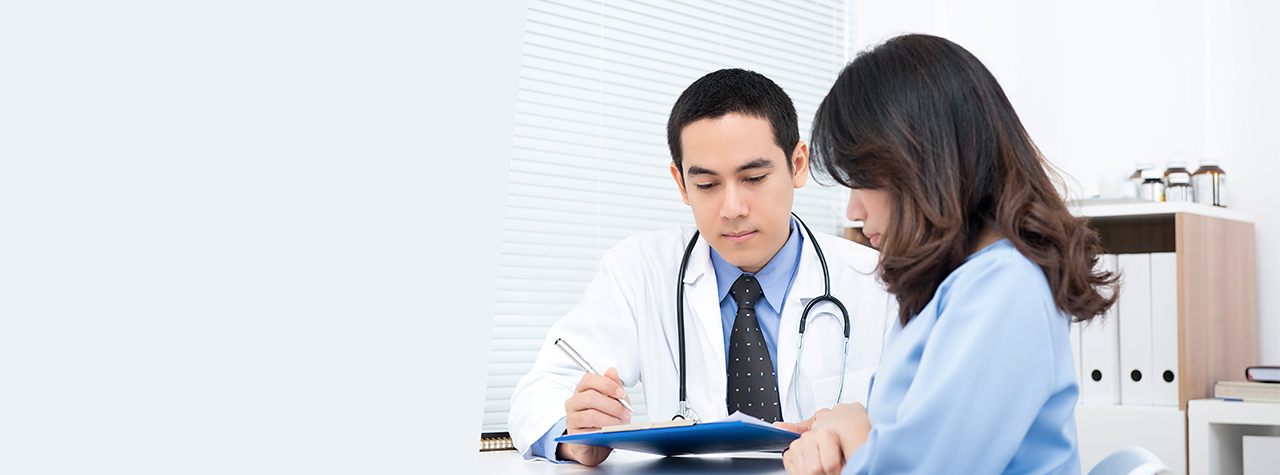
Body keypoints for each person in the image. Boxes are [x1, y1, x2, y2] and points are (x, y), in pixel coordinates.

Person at [508, 68, 897, 466]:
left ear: (797, 165)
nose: (732, 209)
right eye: (707, 185)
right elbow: (539, 390)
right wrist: (575, 437)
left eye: (755, 177)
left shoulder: (879, 280)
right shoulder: (640, 270)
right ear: (681, 183)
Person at [777, 34, 1118, 475]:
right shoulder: (951, 286)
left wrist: (856, 431)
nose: (853, 211)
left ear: (922, 164)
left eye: (863, 181)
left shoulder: (1005, 289)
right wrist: (850, 429)